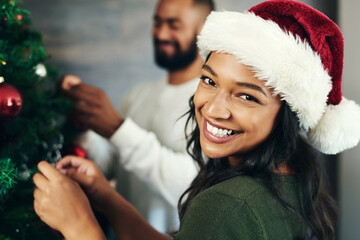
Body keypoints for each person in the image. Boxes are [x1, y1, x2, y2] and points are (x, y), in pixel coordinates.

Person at [34, 0, 360, 239]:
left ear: (288, 115)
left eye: (246, 96)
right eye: (209, 81)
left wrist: (78, 225)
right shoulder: (287, 180)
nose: (214, 109)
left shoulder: (226, 204)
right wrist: (107, 198)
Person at [61, 0, 215, 233]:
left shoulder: (212, 101)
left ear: (203, 28)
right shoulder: (138, 94)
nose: (161, 33)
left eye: (173, 25)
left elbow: (194, 184)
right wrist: (86, 123)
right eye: (157, 23)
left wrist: (117, 128)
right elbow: (109, 165)